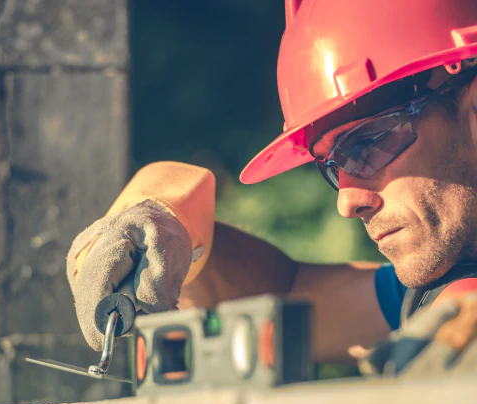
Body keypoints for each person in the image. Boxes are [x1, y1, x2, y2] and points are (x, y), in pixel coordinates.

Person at [67, 0, 477, 376]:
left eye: (368, 144)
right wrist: (163, 218)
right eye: (331, 166)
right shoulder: (430, 295)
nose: (346, 201)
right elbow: (285, 292)